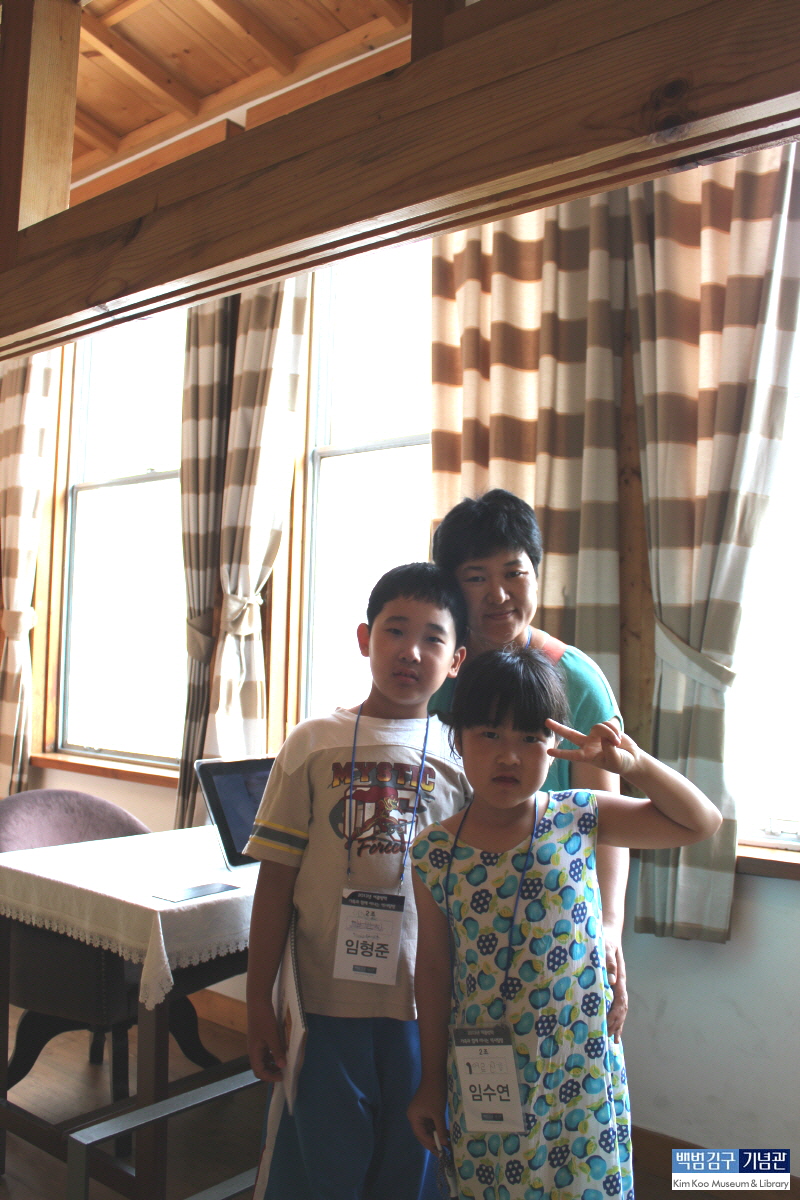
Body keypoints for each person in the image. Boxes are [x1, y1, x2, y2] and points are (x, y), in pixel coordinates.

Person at [409, 647, 722, 1199]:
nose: (509, 755)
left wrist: (635, 766)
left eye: (531, 737)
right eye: (489, 734)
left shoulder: (578, 816)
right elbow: (433, 970)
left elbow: (701, 822)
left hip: (580, 1064)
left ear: (553, 748)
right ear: (458, 738)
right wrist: (431, 1079)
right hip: (484, 1070)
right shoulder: (433, 851)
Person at [245, 562, 470, 1200]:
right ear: (365, 639)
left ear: (456, 660)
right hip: (324, 1004)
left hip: (421, 1009)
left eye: (432, 638)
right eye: (395, 630)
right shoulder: (312, 744)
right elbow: (275, 883)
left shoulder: (460, 759)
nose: (411, 651)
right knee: (325, 1165)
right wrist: (257, 1002)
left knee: (412, 1161)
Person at [430, 489, 630, 1036]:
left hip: (549, 917)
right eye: (475, 577)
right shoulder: (438, 675)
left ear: (536, 575)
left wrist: (609, 926)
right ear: (452, 587)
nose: (498, 594)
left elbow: (606, 818)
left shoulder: (576, 680)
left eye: (514, 573)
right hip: (447, 905)